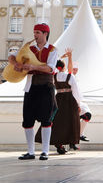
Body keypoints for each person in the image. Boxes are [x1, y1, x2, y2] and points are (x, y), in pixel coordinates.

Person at [8, 23, 58, 161]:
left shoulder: (53, 50)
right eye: (34, 32)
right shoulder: (28, 48)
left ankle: (45, 151)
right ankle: (30, 152)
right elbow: (11, 56)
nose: (35, 35)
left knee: (46, 120)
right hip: (31, 86)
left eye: (37, 33)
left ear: (45, 34)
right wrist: (15, 64)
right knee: (28, 120)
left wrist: (32, 66)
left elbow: (50, 69)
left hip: (46, 86)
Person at [35, 59, 81, 154]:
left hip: (58, 99)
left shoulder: (54, 76)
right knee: (71, 121)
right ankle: (71, 142)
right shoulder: (70, 76)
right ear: (64, 67)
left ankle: (59, 144)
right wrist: (78, 103)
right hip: (69, 100)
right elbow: (76, 91)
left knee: (57, 122)